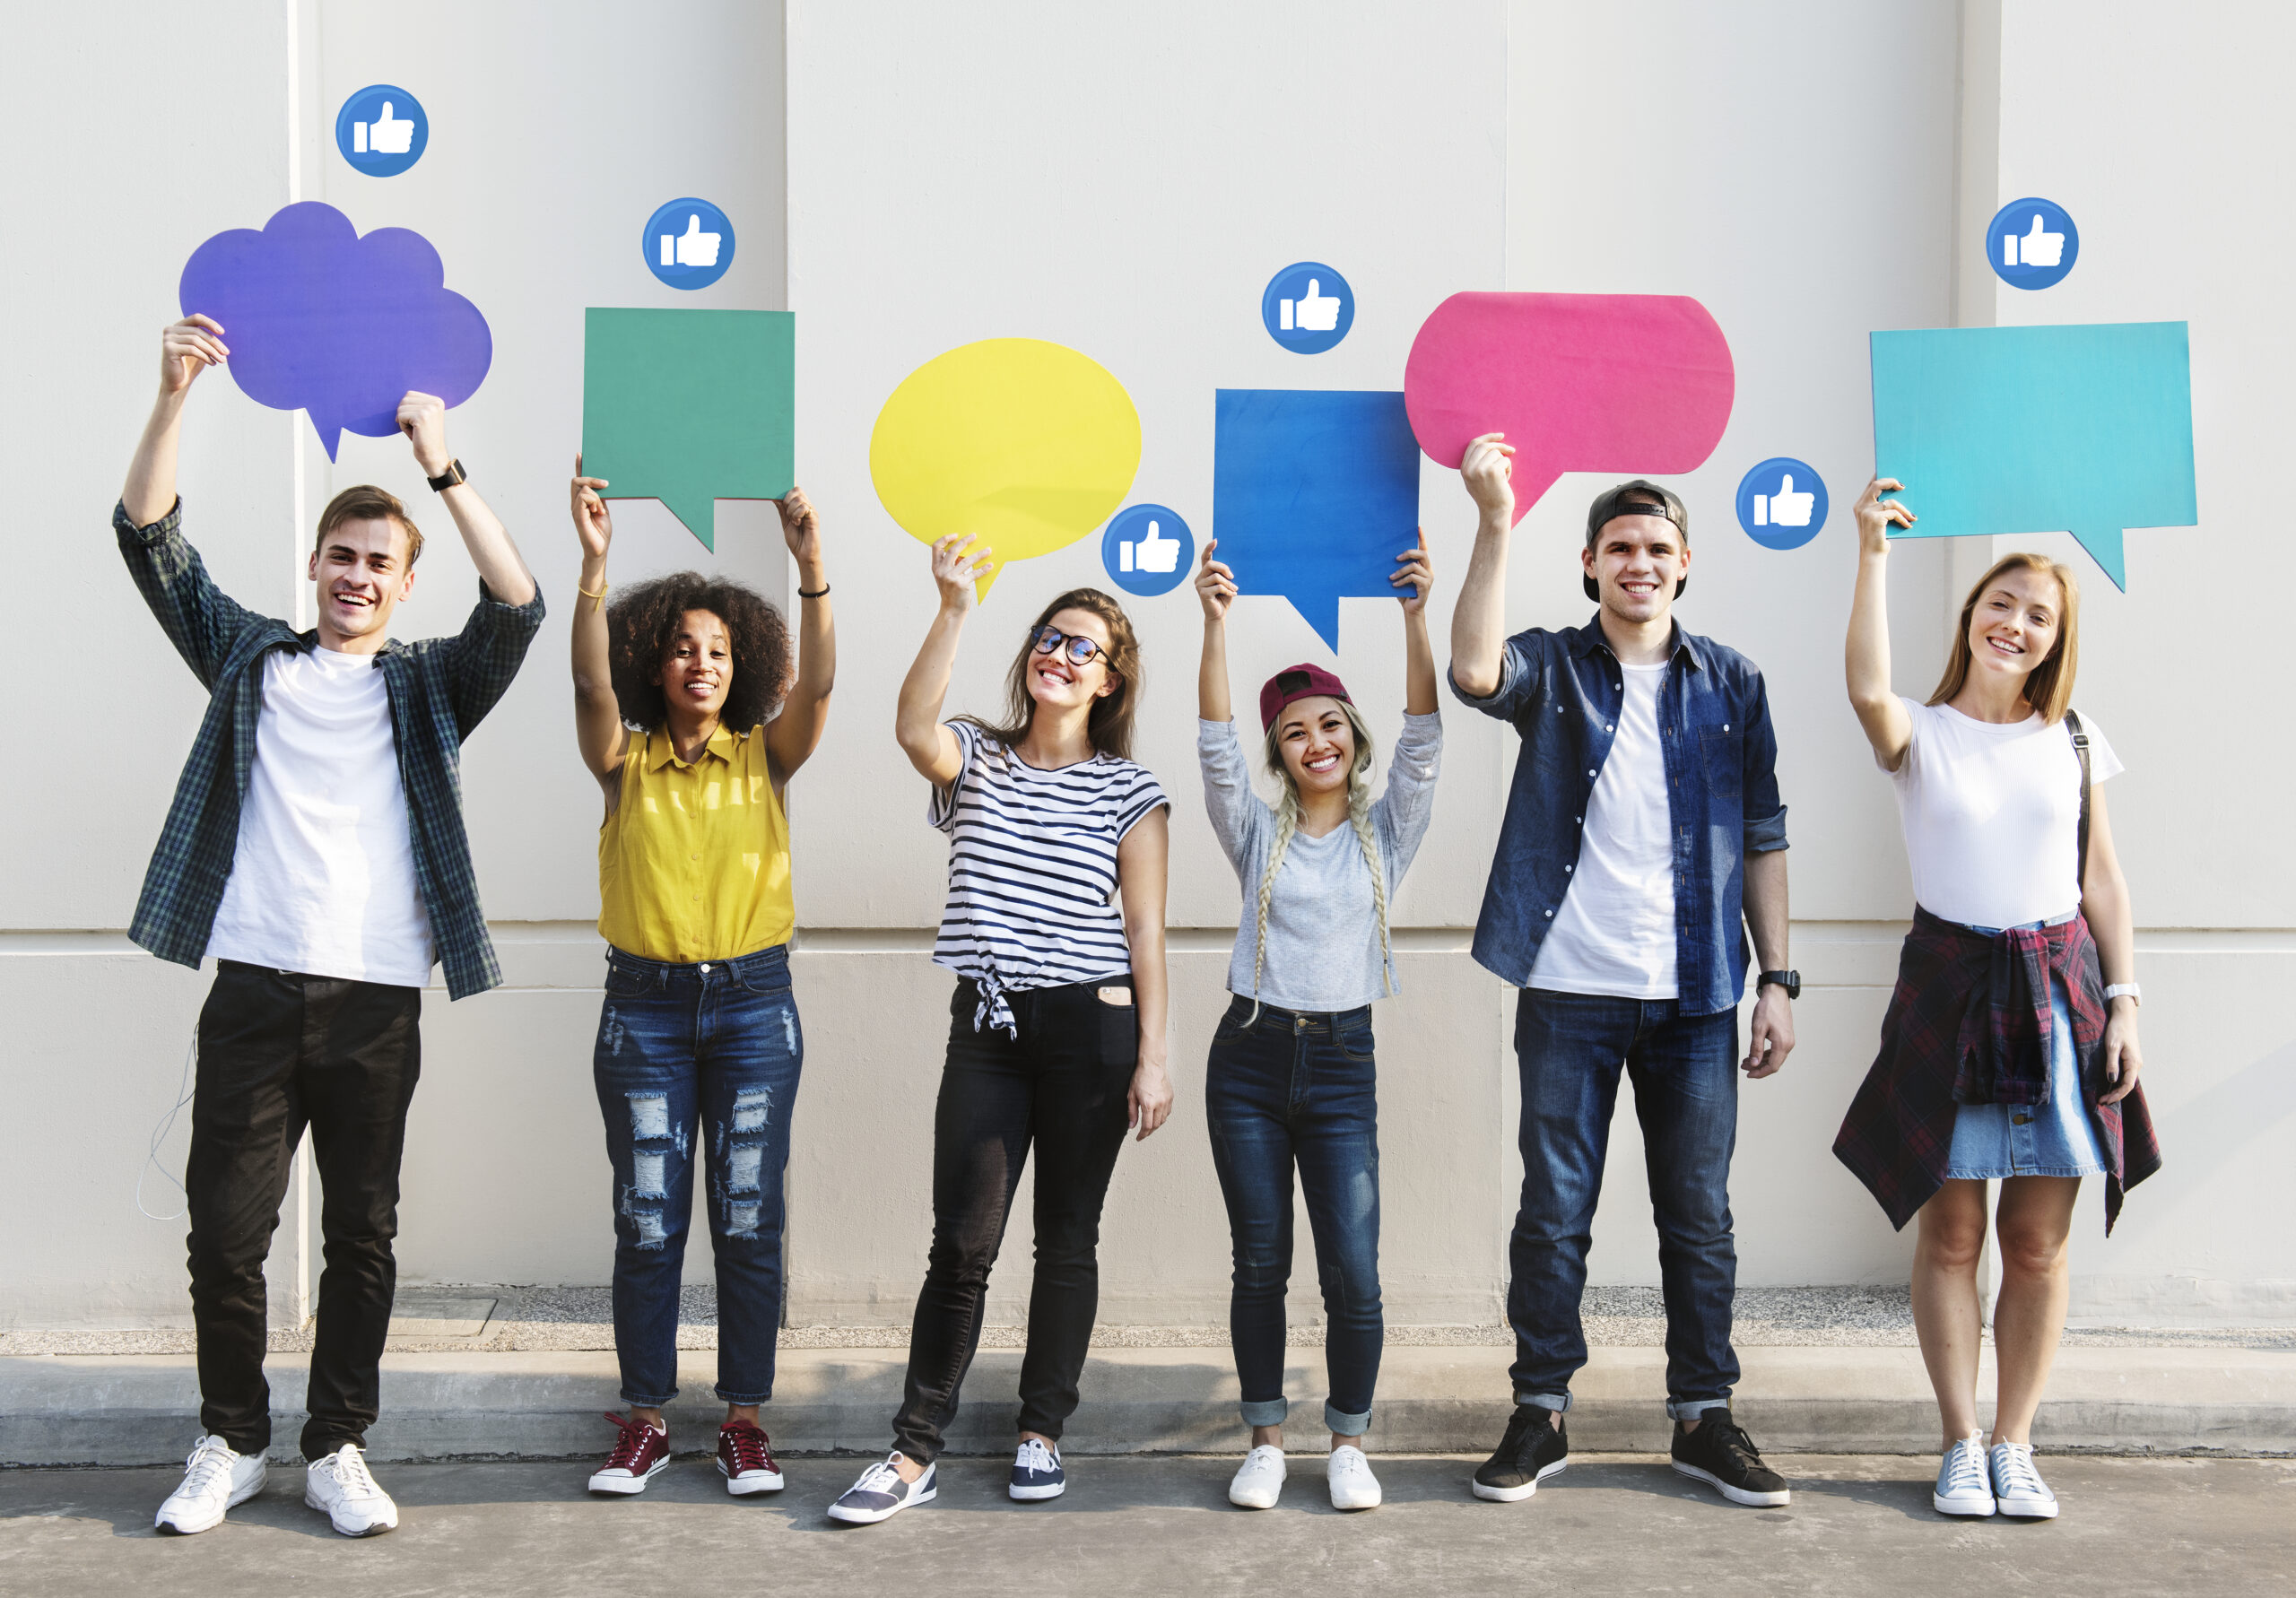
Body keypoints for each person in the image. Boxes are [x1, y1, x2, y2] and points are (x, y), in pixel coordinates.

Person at [126, 317, 544, 1536]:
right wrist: (172, 399)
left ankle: (336, 1448)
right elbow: (150, 542)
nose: (359, 576)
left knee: (363, 1234)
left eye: (380, 563)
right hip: (255, 984)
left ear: (404, 585)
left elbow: (516, 606)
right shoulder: (254, 661)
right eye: (342, 556)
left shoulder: (426, 687)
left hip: (375, 999)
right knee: (226, 1233)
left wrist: (443, 468)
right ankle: (232, 1440)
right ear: (314, 566)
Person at [1447, 435, 1798, 1508]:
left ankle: (1703, 1420)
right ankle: (1540, 1413)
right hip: (1567, 988)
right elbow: (1470, 671)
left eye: (1656, 546)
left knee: (1697, 1214)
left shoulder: (1732, 683)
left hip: (1695, 995)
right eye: (1617, 547)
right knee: (1553, 1210)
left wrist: (1775, 977)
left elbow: (1767, 834)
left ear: (1682, 564)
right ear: (1591, 564)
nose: (1638, 562)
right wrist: (1495, 519)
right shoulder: (1553, 665)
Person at [828, 534, 1172, 1524]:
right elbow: (910, 726)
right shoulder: (974, 753)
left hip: (1092, 1032)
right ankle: (911, 1453)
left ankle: (1040, 1431)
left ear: (1109, 681)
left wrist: (1154, 1056)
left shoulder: (1128, 789)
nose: (1061, 655)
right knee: (961, 1247)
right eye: (1049, 638)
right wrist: (953, 607)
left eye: (1085, 649)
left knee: (1067, 1242)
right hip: (986, 1029)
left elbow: (1145, 930)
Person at [1833, 478, 2160, 1521]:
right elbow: (1863, 685)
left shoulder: (2069, 737)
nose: (2015, 625)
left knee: (2037, 1243)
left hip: (2060, 998)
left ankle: (2016, 1442)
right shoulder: (1918, 733)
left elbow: (2100, 877)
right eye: (2001, 603)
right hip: (1952, 991)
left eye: (2039, 616)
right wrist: (1871, 552)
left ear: (2054, 640)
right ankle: (1958, 1441)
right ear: (1972, 614)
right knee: (1951, 1237)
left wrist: (2126, 1003)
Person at [563, 461, 836, 1498]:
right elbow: (588, 683)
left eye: (719, 650)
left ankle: (744, 1423)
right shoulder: (622, 761)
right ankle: (642, 1419)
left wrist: (813, 572)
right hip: (645, 1013)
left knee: (749, 1216)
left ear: (742, 666)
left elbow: (820, 687)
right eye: (682, 647)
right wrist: (595, 569)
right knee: (647, 1217)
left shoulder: (766, 756)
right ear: (654, 661)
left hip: (755, 1008)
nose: (700, 662)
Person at [1191, 532, 1441, 1513]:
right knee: (1260, 1259)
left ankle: (1346, 1441)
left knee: (1353, 1265)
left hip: (1342, 1062)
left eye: (1329, 724)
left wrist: (1418, 618)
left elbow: (1426, 744)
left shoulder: (1385, 835)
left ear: (1351, 737)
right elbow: (1213, 752)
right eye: (1295, 732)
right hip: (1248, 1057)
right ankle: (1263, 1440)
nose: (1316, 742)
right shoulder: (1255, 833)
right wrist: (1213, 625)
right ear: (1282, 755)